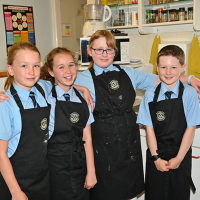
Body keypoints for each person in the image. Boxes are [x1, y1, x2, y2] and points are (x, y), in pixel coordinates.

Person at [73, 30, 200, 200]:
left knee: (129, 193)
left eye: (109, 49)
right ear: (89, 51)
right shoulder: (81, 78)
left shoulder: (129, 73)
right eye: (99, 50)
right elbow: (54, 84)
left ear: (115, 52)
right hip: (101, 148)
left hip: (129, 145)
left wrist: (190, 78)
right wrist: (79, 88)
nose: (104, 54)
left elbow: (163, 78)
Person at [137, 45, 200, 200]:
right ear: (157, 68)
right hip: (156, 155)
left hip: (181, 154)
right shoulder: (150, 94)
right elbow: (149, 129)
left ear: (182, 68)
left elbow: (190, 128)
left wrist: (178, 158)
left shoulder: (190, 94)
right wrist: (155, 158)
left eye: (173, 67)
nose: (168, 72)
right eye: (163, 67)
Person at [40, 47, 97, 200]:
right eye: (61, 67)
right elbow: (23, 85)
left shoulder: (82, 99)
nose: (68, 71)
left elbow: (88, 139)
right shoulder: (45, 96)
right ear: (51, 72)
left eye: (71, 65)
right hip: (54, 166)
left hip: (80, 164)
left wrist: (91, 172)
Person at [0, 41, 52, 200]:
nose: (31, 72)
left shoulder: (42, 89)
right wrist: (16, 193)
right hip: (16, 183)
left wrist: (83, 89)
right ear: (10, 69)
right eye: (24, 66)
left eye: (36, 66)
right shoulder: (5, 104)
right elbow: (1, 154)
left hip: (42, 179)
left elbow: (64, 81)